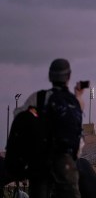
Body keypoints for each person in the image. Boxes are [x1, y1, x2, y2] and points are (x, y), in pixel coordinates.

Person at [15, 58, 85, 198]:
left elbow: (18, 116)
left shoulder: (38, 98)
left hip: (40, 163)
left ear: (49, 76)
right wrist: (78, 95)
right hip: (66, 163)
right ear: (69, 76)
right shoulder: (73, 101)